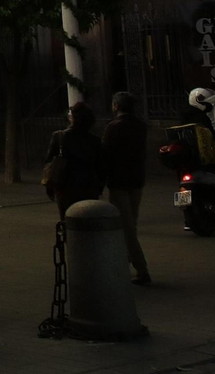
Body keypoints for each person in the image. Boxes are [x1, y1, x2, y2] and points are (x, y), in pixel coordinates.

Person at [101, 92, 150, 286]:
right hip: (136, 180)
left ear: (116, 106)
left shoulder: (113, 128)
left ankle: (140, 268)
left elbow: (106, 156)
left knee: (125, 227)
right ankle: (127, 264)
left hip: (119, 182)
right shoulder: (140, 126)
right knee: (131, 224)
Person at [43, 102, 104, 221]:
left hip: (65, 187)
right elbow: (100, 167)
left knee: (68, 221)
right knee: (88, 221)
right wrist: (99, 188)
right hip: (88, 187)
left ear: (72, 118)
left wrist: (50, 187)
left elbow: (49, 163)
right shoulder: (94, 141)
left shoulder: (59, 137)